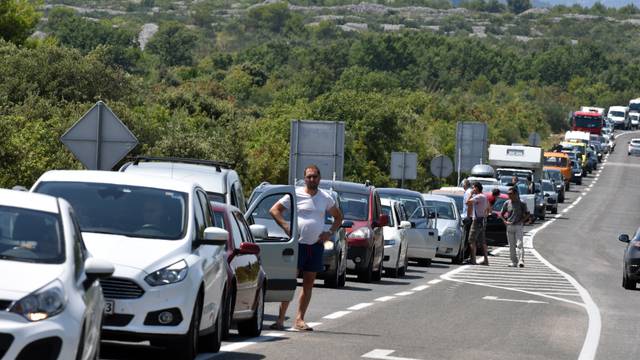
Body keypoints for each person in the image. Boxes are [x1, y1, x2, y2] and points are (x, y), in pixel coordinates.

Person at [269, 165, 343, 331]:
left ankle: (299, 320)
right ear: (304, 178)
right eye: (309, 176)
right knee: (290, 282)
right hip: (297, 245)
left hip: (315, 245)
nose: (312, 179)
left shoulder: (325, 197)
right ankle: (280, 320)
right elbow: (274, 210)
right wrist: (286, 226)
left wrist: (329, 233)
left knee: (309, 283)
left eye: (315, 176)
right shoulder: (295, 194)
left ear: (319, 178)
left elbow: (338, 217)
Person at [500, 187, 530, 268]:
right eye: (508, 194)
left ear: (515, 194)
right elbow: (501, 214)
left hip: (518, 226)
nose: (509, 195)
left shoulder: (522, 203)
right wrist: (505, 221)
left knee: (519, 244)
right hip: (509, 225)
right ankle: (513, 261)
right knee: (511, 245)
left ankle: (521, 261)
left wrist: (522, 221)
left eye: (510, 194)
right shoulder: (507, 203)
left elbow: (528, 213)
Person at [466, 182, 489, 266]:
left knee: (471, 240)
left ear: (477, 188)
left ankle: (473, 260)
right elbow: (488, 209)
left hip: (476, 221)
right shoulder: (484, 197)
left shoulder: (478, 197)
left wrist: (471, 194)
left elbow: (467, 202)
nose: (472, 189)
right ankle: (486, 260)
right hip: (482, 220)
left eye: (473, 188)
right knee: (482, 241)